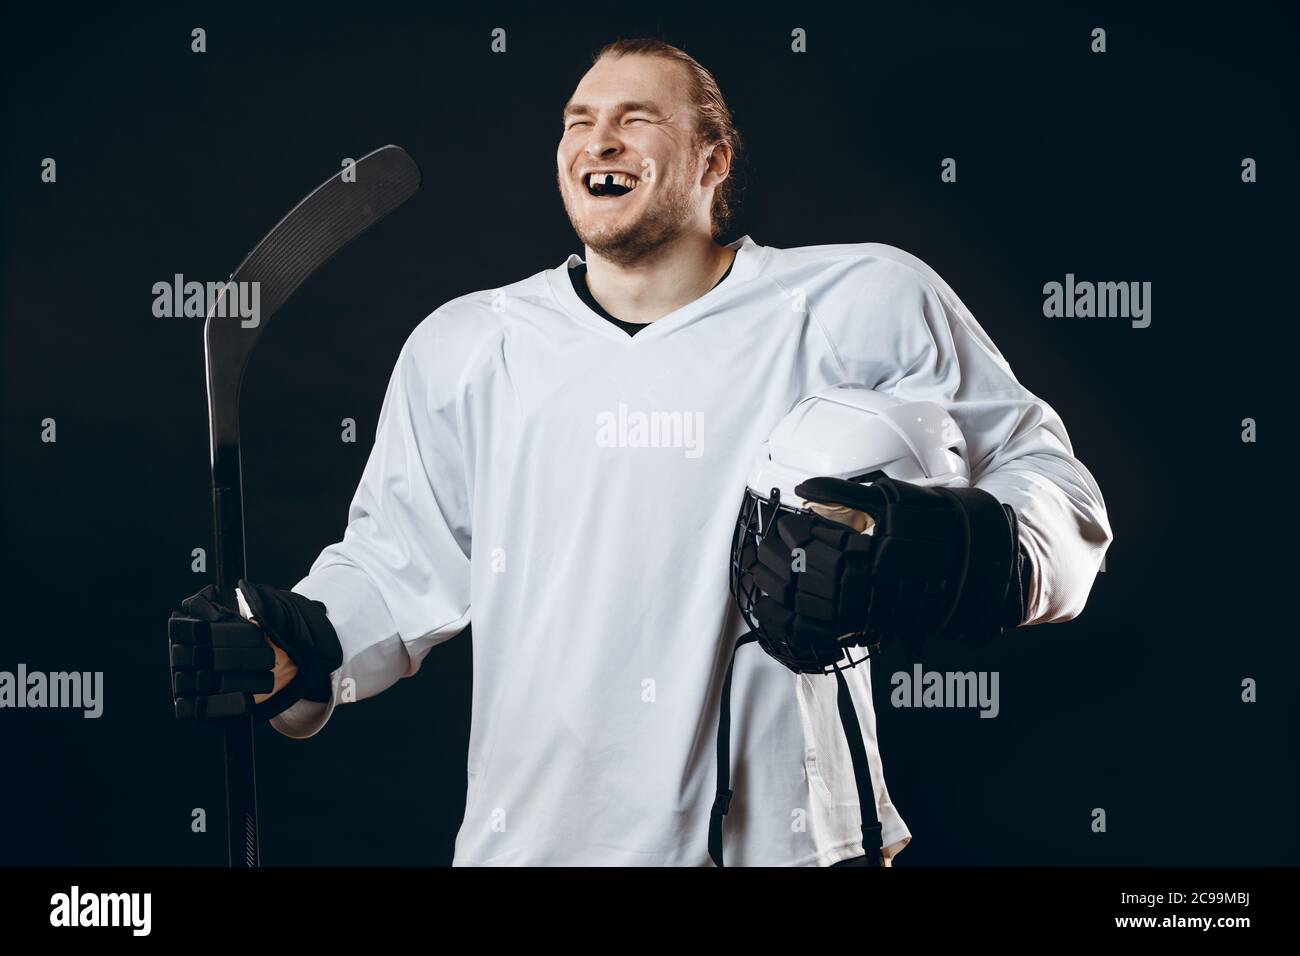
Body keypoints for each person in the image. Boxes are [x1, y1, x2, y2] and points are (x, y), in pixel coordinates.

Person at [172, 38, 1112, 866]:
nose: (599, 142)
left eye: (635, 119)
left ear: (714, 157)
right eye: (578, 122)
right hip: (533, 850)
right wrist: (295, 644)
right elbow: (399, 564)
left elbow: (1057, 494)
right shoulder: (467, 344)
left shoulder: (860, 301)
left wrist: (973, 553)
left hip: (794, 851)